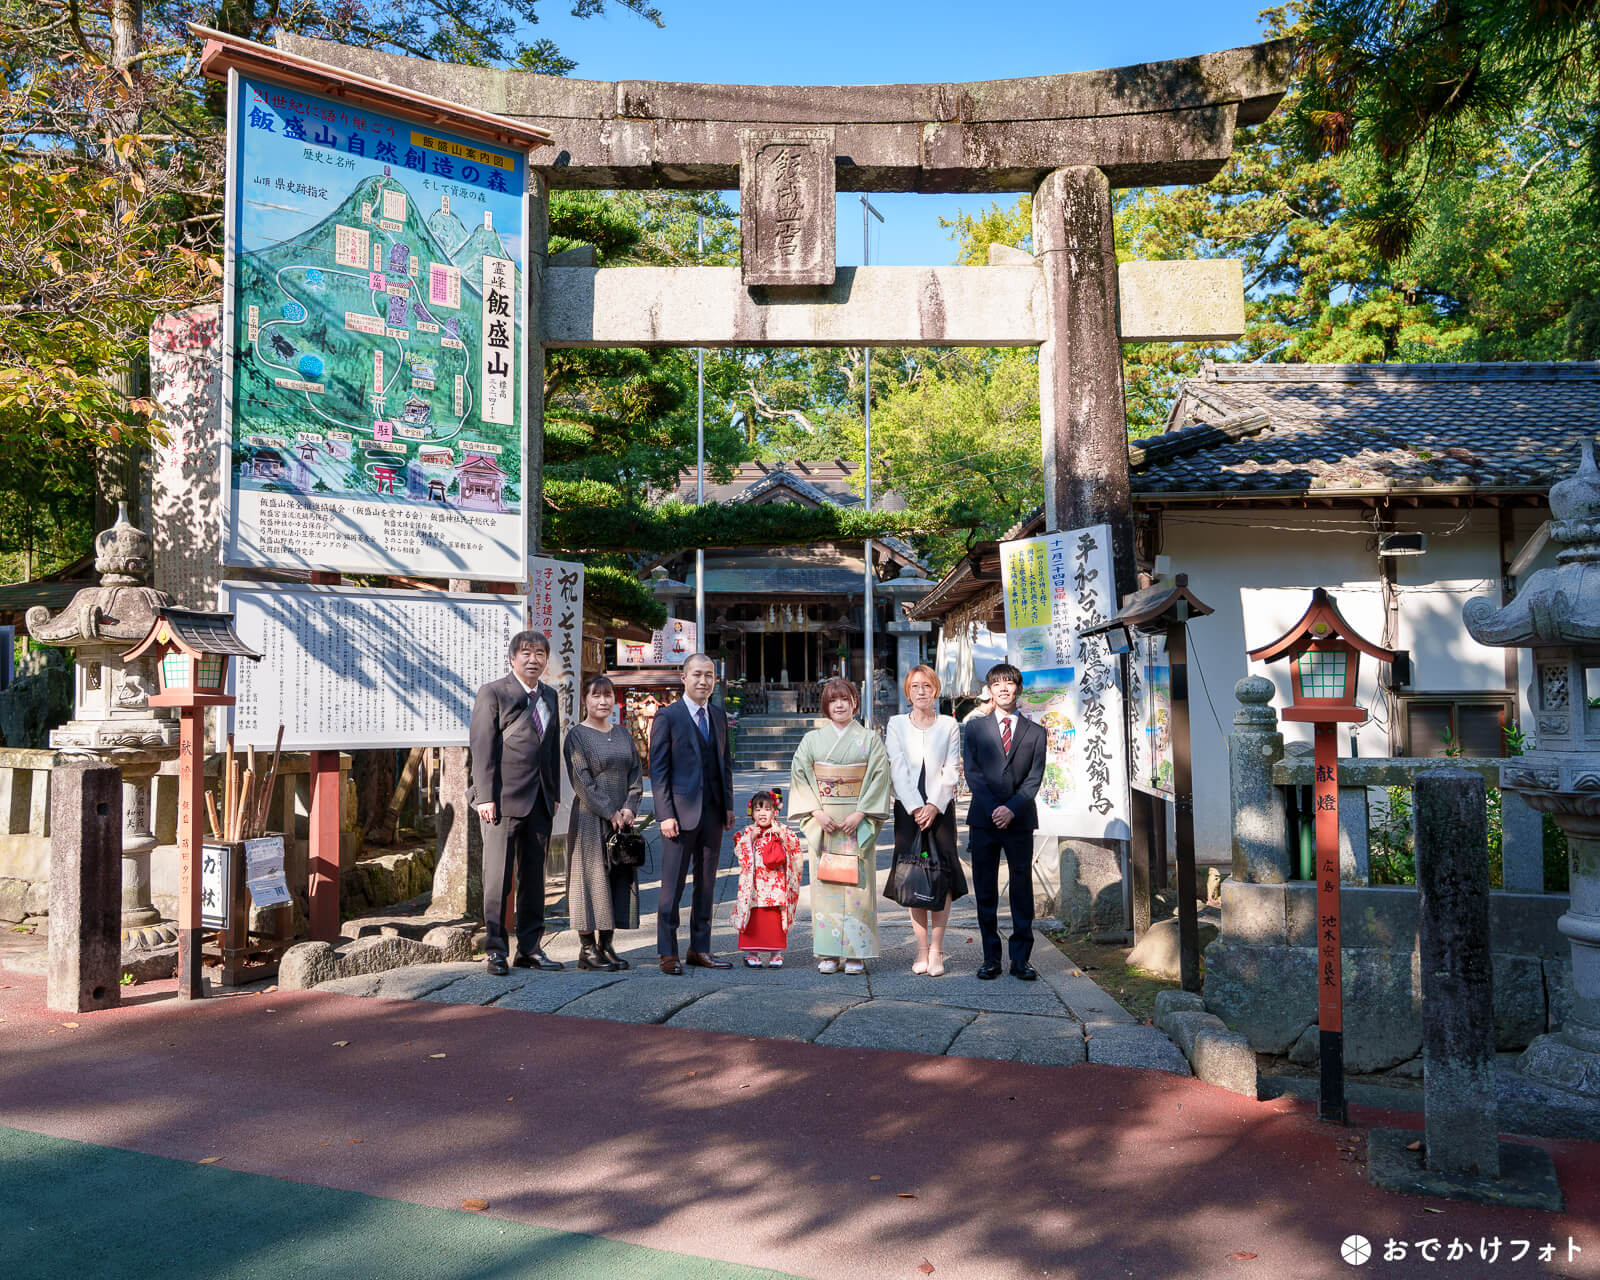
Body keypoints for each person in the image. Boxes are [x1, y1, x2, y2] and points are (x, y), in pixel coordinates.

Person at [470, 630, 564, 976]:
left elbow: (551, 748)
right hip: (501, 801)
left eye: (540, 653)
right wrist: (484, 797)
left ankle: (530, 948)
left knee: (534, 878)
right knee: (497, 879)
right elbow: (482, 748)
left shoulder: (550, 696)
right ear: (512, 659)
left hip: (539, 801)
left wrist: (553, 794)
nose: (533, 659)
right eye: (526, 653)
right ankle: (495, 949)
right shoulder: (493, 693)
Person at [788, 676, 892, 976]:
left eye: (844, 699)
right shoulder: (812, 740)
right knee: (826, 885)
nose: (839, 705)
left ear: (854, 703)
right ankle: (829, 952)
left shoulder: (869, 739)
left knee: (858, 886)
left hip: (856, 820)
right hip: (825, 822)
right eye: (833, 701)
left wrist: (861, 813)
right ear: (826, 706)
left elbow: (879, 775)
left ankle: (857, 952)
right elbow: (800, 773)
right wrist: (816, 812)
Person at [649, 652, 735, 974]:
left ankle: (700, 948)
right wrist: (664, 814)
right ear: (684, 678)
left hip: (712, 812)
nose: (703, 681)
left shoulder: (718, 715)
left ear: (715, 680)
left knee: (707, 886)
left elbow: (725, 765)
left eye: (709, 675)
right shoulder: (667, 717)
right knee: (672, 886)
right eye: (697, 674)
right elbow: (658, 771)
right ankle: (667, 952)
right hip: (679, 815)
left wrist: (728, 806)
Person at [963, 662, 1047, 981]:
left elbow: (1034, 778)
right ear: (989, 690)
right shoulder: (975, 728)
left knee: (1022, 890)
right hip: (984, 820)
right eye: (997, 683)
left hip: (1020, 820)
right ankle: (990, 958)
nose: (1003, 688)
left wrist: (1011, 808)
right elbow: (972, 773)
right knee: (985, 891)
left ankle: (1021, 959)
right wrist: (994, 808)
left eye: (1009, 683)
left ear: (1018, 689)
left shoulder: (1036, 733)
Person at [883, 664, 968, 977]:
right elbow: (897, 767)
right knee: (913, 874)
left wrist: (933, 805)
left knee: (941, 876)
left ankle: (937, 949)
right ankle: (920, 950)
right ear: (908, 691)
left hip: (941, 809)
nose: (921, 691)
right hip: (908, 811)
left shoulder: (948, 725)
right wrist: (917, 807)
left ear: (936, 690)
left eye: (927, 686)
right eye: (915, 686)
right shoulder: (895, 724)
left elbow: (951, 768)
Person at [563, 674, 643, 972]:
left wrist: (630, 809)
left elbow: (636, 774)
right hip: (589, 819)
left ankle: (607, 945)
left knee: (616, 880)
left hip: (621, 821)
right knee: (589, 880)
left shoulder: (623, 733)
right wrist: (610, 810)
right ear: (585, 700)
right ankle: (587, 949)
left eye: (607, 695)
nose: (602, 701)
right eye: (596, 695)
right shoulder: (577, 736)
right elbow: (581, 780)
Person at [730, 789, 802, 968]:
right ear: (752, 812)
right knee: (753, 916)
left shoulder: (783, 830)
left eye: (767, 809)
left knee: (775, 918)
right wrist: (749, 840)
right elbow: (740, 853)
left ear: (775, 811)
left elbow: (795, 852)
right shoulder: (747, 832)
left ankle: (775, 953)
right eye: (757, 809)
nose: (762, 813)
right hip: (754, 885)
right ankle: (751, 953)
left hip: (776, 885)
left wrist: (783, 837)